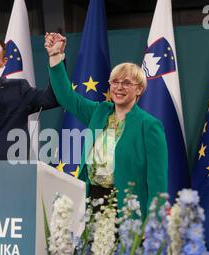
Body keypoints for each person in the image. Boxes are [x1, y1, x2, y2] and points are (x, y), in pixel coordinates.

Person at [44, 32, 168, 217]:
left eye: (126, 83)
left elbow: (157, 183)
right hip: (91, 201)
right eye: (115, 82)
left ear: (139, 89)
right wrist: (55, 56)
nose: (119, 87)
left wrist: (152, 224)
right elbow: (66, 97)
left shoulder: (149, 126)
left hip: (126, 210)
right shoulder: (99, 112)